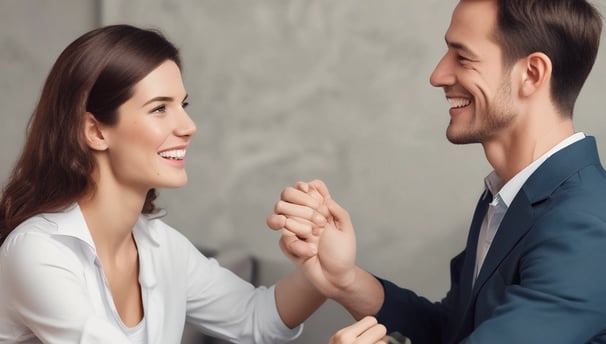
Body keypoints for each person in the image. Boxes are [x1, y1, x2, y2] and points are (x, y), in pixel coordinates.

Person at [267, 0, 606, 343]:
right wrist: (343, 279)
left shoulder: (586, 227)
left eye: (462, 57)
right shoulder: (508, 197)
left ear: (531, 74)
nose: (437, 76)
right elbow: (454, 331)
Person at [0, 24, 326, 343]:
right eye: (159, 108)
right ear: (95, 132)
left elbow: (256, 317)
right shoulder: (38, 251)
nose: (188, 126)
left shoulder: (160, 246)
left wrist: (323, 268)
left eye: (182, 106)